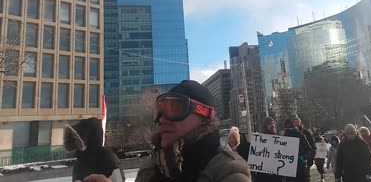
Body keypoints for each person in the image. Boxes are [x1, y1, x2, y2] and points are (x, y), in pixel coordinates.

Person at [84, 80, 251, 182]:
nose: (162, 119)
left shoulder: (229, 170)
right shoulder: (152, 164)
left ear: (205, 115)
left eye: (174, 108)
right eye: (159, 110)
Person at [63, 118, 124, 182]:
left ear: (88, 138)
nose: (75, 142)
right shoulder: (80, 161)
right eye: (74, 138)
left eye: (77, 138)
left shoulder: (109, 157)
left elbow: (119, 179)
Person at [255, 117, 282, 182]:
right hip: (263, 176)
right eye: (270, 124)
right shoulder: (259, 140)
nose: (272, 125)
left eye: (273, 123)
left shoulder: (280, 139)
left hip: (276, 175)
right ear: (265, 126)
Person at [293, 117, 316, 182]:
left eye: (298, 122)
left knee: (306, 177)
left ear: (300, 123)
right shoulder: (292, 133)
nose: (297, 123)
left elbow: (312, 144)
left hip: (305, 159)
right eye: (295, 122)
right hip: (295, 161)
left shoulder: (306, 132)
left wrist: (311, 157)